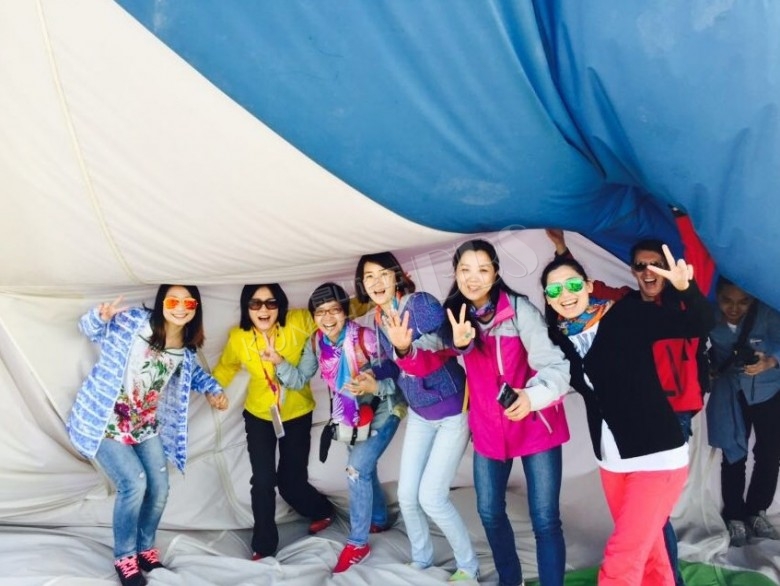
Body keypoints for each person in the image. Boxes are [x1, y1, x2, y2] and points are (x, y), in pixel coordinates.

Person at [546, 220, 715, 586]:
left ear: (588, 286)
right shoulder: (561, 338)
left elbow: (701, 322)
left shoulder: (625, 314)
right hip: (612, 460)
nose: (566, 293)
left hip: (658, 452)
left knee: (622, 558)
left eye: (573, 285)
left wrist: (686, 288)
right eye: (555, 289)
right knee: (650, 551)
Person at [67, 285, 229, 586]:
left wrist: (213, 390)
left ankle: (145, 549)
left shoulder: (186, 348)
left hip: (143, 425)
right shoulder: (134, 322)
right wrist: (99, 317)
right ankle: (125, 557)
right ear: (162, 302)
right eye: (173, 300)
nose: (180, 308)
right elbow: (88, 330)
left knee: (160, 488)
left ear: (195, 309)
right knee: (134, 483)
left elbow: (194, 375)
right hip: (105, 419)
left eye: (188, 303)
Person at [443, 239, 571, 586]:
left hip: (535, 425)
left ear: (496, 273)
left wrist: (531, 397)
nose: (473, 278)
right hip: (489, 430)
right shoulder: (454, 316)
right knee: (489, 512)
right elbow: (425, 353)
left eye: (482, 269)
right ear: (455, 273)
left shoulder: (519, 311)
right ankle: (510, 580)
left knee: (545, 519)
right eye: (465, 270)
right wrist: (405, 346)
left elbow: (556, 367)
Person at [356, 252, 479, 582]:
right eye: (369, 277)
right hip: (420, 414)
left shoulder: (420, 305)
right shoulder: (379, 318)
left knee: (432, 498)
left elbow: (447, 347)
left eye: (383, 274)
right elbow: (394, 366)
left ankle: (468, 567)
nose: (377, 282)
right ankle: (422, 559)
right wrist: (371, 375)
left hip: (452, 410)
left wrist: (407, 349)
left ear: (397, 276)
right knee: (407, 497)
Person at [278, 282, 404, 573]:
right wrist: (279, 362)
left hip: (384, 409)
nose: (327, 318)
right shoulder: (316, 343)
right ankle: (379, 519)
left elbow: (398, 377)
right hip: (349, 415)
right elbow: (299, 379)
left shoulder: (366, 338)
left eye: (334, 310)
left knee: (357, 469)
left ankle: (358, 543)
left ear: (345, 312)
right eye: (320, 312)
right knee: (363, 467)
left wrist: (372, 386)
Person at [212, 284, 334, 561]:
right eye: (255, 304)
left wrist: (380, 296)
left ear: (281, 305)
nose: (264, 309)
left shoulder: (299, 321)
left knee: (291, 482)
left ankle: (322, 510)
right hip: (259, 415)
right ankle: (264, 546)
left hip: (297, 414)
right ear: (246, 308)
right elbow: (227, 366)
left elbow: (337, 311)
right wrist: (214, 390)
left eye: (271, 303)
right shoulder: (238, 337)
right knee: (263, 481)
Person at [706, 277, 780, 547]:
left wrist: (771, 361)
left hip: (768, 391)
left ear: (753, 300)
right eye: (727, 301)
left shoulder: (768, 312)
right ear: (717, 296)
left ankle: (756, 511)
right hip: (731, 392)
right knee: (733, 453)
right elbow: (696, 348)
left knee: (769, 454)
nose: (734, 308)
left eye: (743, 302)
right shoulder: (708, 316)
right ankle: (734, 515)